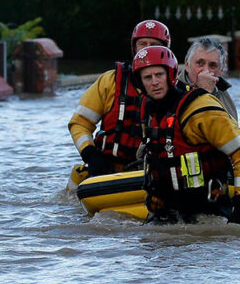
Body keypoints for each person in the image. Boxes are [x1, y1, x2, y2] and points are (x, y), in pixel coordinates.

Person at [133, 45, 240, 226]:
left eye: (159, 75)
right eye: (147, 77)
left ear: (170, 75)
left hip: (209, 211)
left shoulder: (201, 107)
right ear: (140, 83)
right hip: (169, 213)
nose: (154, 82)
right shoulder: (150, 113)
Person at [69, 19, 171, 177]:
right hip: (107, 168)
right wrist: (90, 154)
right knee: (78, 175)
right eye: (142, 44)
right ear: (134, 47)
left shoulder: (175, 88)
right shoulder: (109, 81)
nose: (147, 49)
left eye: (154, 44)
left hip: (153, 171)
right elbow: (80, 123)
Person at [177, 37, 238, 120]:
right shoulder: (173, 92)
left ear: (221, 70)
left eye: (212, 65)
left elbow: (232, 129)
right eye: (199, 63)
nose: (206, 70)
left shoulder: (223, 92)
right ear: (187, 64)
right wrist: (203, 93)